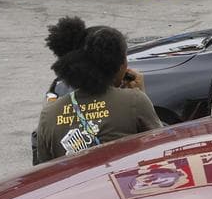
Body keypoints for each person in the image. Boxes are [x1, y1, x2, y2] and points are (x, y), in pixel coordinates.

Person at [35, 17, 161, 164]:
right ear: (120, 66)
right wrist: (140, 93)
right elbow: (159, 145)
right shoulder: (134, 101)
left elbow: (42, 166)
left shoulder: (49, 114)